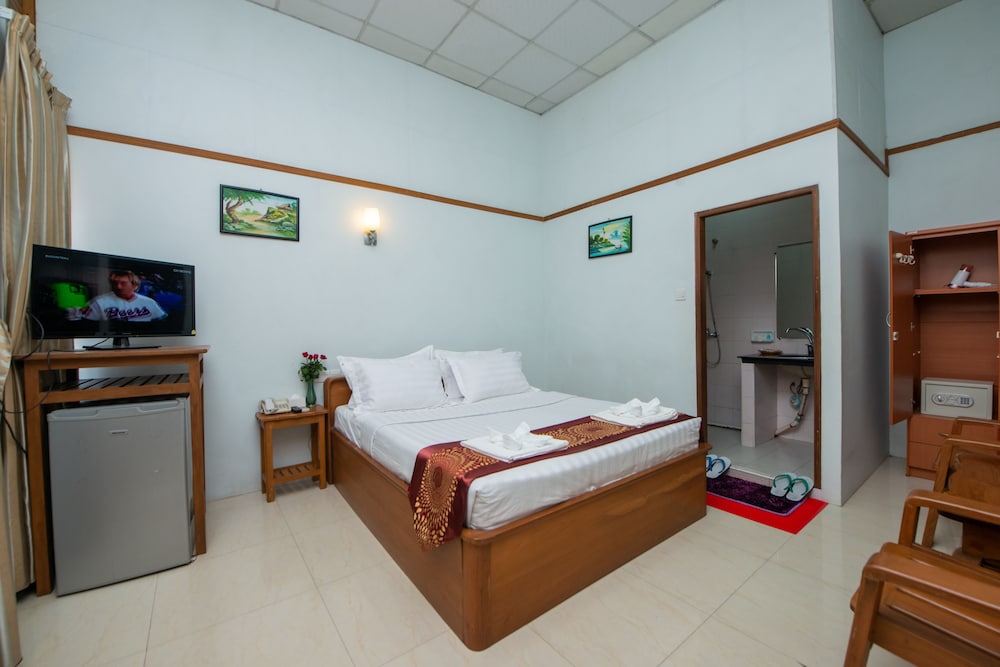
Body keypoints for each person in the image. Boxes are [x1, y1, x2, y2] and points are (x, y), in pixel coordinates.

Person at [80, 269, 167, 322]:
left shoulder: (149, 302)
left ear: (135, 285)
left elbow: (161, 322)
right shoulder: (98, 302)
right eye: (115, 283)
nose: (118, 286)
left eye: (123, 283)